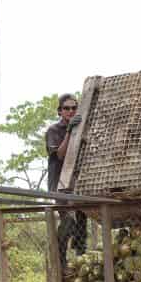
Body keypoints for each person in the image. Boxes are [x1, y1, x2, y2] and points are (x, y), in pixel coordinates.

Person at [45, 93, 88, 265]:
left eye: (74, 108)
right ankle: (59, 260)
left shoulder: (82, 128)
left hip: (77, 184)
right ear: (60, 111)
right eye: (66, 108)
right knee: (69, 221)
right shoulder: (53, 131)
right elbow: (61, 155)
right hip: (60, 185)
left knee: (81, 225)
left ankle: (81, 262)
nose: (71, 111)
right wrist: (69, 131)